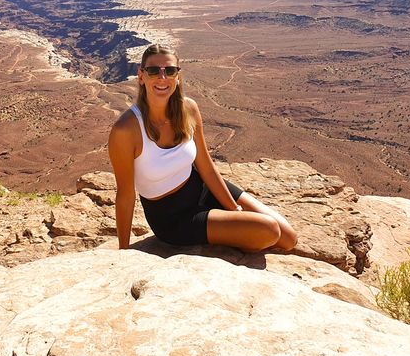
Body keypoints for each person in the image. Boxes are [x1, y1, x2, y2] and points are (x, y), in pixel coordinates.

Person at [108, 43, 298, 252]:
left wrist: (233, 209)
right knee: (268, 231)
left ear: (178, 76)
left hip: (202, 188)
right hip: (174, 219)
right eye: (154, 71)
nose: (162, 77)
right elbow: (125, 195)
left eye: (170, 70)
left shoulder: (188, 108)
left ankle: (230, 228)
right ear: (141, 76)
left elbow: (205, 166)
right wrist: (123, 253)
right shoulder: (126, 130)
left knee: (288, 238)